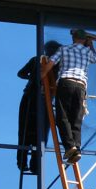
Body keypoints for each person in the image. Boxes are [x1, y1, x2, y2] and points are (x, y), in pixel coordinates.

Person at [40, 28, 96, 163]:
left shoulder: (64, 49)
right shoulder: (88, 52)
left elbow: (50, 63)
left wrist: (41, 77)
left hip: (66, 82)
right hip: (80, 87)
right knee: (76, 118)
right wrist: (90, 42)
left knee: (62, 116)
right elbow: (95, 58)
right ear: (84, 40)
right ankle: (77, 148)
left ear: (73, 38)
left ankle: (70, 147)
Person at [15, 41, 61, 173]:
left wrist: (32, 78)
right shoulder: (53, 63)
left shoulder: (37, 60)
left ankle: (25, 162)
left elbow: (21, 74)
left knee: (26, 131)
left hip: (33, 97)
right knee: (37, 133)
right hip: (40, 99)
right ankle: (32, 164)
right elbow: (21, 73)